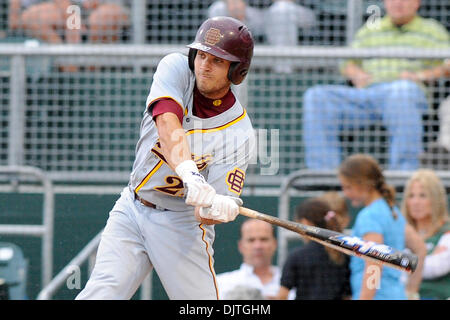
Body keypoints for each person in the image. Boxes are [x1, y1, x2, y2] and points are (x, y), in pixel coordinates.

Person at [76, 16, 256, 300]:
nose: (204, 65)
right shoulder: (175, 68)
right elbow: (168, 124)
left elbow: (204, 216)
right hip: (132, 207)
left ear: (237, 71)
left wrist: (219, 208)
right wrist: (190, 173)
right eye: (201, 55)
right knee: (101, 294)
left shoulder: (240, 132)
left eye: (218, 61)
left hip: (180, 222)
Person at [302, 0, 449, 171]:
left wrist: (422, 76)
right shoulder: (371, 27)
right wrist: (356, 74)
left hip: (406, 92)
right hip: (368, 93)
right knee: (316, 96)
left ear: (417, 3)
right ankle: (323, 173)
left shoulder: (432, 29)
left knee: (402, 91)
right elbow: (347, 61)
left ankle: (404, 173)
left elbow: (447, 63)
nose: (398, 3)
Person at [338, 153, 426, 300]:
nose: (346, 193)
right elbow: (420, 249)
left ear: (363, 183)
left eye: (348, 187)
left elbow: (375, 260)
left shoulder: (369, 215)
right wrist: (411, 291)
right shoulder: (392, 211)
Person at [276, 197, 352, 300]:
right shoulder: (343, 255)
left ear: (305, 223)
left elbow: (282, 295)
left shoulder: (297, 257)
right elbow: (347, 296)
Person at [401, 169, 450, 299]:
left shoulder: (446, 231)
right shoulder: (402, 231)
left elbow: (437, 267)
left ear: (436, 199)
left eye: (423, 195)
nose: (416, 202)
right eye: (411, 196)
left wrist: (401, 264)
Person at [216, 218, 280, 300]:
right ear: (241, 246)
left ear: (274, 244)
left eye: (264, 239)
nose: (258, 246)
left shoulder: (293, 285)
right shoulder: (220, 285)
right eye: (251, 240)